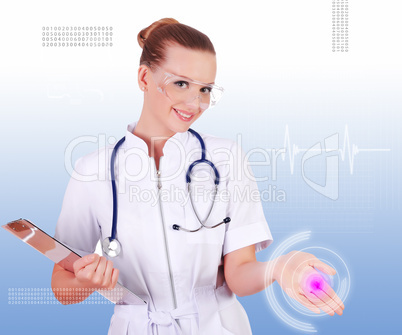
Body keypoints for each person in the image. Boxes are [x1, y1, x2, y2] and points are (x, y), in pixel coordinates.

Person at [51, 18, 345, 334]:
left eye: (204, 89)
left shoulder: (227, 158)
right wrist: (85, 282)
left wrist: (278, 267)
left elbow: (239, 275)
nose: (195, 102)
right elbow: (62, 287)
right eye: (181, 84)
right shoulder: (92, 170)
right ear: (144, 77)